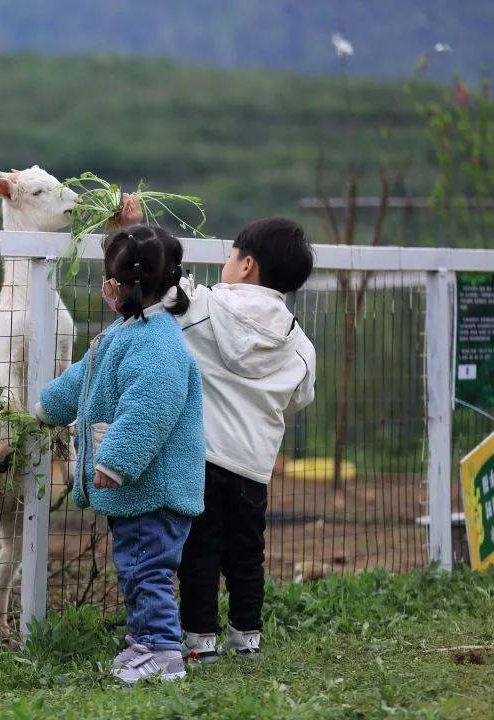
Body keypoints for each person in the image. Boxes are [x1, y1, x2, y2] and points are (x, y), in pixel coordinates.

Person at [34, 225, 205, 683]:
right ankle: (146, 643)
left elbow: (149, 408)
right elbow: (83, 378)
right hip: (137, 491)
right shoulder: (127, 331)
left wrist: (117, 462)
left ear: (126, 286)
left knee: (146, 569)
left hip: (153, 488)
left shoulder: (157, 343)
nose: (103, 285)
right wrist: (45, 408)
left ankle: (163, 653)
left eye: (108, 277)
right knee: (135, 567)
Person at [161, 214, 316, 663]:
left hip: (202, 457)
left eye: (230, 255)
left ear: (246, 265)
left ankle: (199, 641)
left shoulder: (203, 308)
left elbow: (159, 286)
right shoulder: (300, 343)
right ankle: (247, 636)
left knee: (200, 551)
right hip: (253, 465)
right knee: (247, 553)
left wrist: (127, 227)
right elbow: (299, 398)